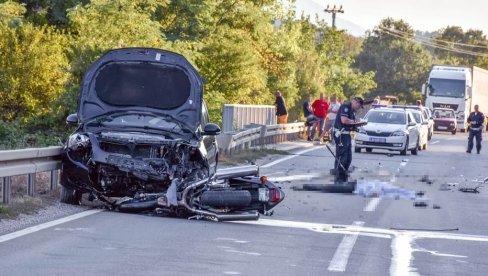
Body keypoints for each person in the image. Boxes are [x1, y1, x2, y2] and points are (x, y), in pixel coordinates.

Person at [333, 97, 365, 183]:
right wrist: (355, 121)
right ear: (355, 102)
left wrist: (359, 124)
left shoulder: (352, 111)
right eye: (359, 106)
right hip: (341, 135)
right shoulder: (345, 107)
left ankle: (343, 177)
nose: (358, 108)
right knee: (342, 157)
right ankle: (338, 178)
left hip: (346, 135)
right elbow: (344, 120)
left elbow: (351, 124)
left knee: (348, 158)